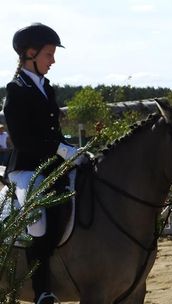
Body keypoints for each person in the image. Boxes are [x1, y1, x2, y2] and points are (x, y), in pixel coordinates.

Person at [4, 23, 83, 304]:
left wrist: (73, 150)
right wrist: (59, 148)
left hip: (52, 164)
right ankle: (42, 291)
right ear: (30, 53)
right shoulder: (16, 90)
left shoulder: (46, 87)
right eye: (49, 54)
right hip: (26, 169)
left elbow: (54, 132)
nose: (53, 61)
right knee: (36, 219)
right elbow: (23, 140)